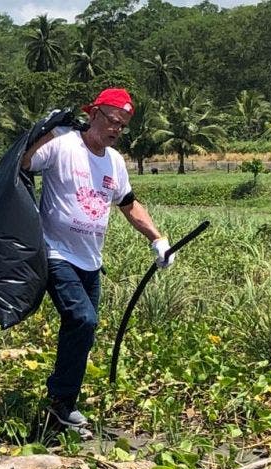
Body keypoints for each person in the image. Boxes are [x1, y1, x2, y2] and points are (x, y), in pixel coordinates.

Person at [20, 88, 174, 436]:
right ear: (94, 114)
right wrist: (49, 129)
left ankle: (63, 401)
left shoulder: (115, 162)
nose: (116, 129)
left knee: (84, 330)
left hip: (91, 261)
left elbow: (129, 204)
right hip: (55, 252)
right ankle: (62, 403)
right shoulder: (63, 145)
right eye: (112, 121)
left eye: (123, 125)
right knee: (82, 319)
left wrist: (158, 239)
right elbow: (24, 163)